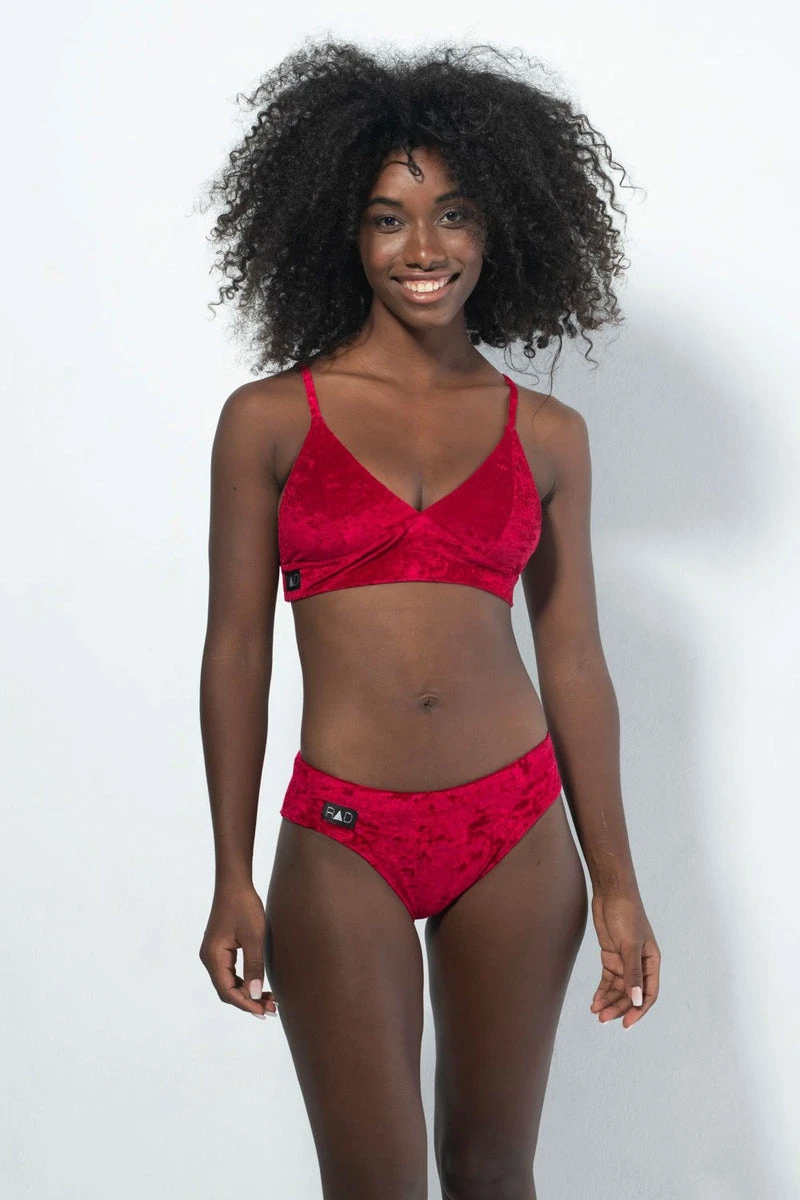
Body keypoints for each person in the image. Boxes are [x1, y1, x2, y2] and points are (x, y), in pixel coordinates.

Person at [198, 38, 661, 1200]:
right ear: (340, 232)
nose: (422, 250)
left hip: (515, 831)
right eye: (386, 219)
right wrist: (229, 870)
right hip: (341, 832)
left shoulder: (546, 437)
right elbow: (236, 649)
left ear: (498, 228)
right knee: (374, 1184)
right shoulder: (268, 420)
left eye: (452, 215)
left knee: (493, 1171)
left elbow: (574, 661)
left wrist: (615, 881)